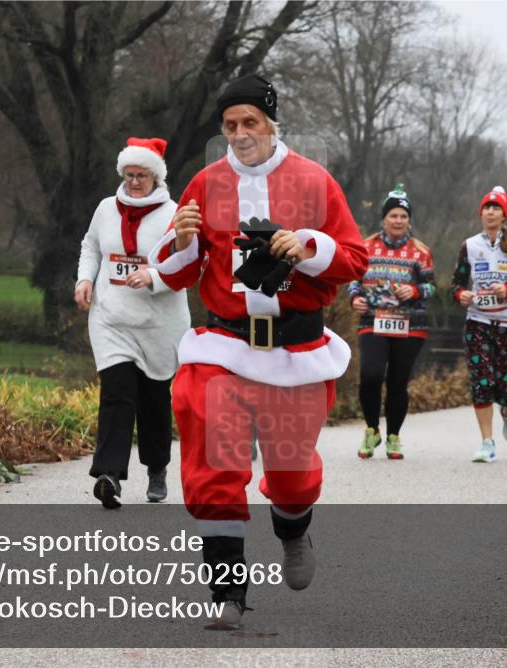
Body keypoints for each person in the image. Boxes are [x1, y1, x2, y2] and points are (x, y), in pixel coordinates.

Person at [149, 74, 367, 629]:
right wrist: (179, 241)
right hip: (223, 345)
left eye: (250, 123)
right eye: (230, 125)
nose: (240, 134)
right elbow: (177, 275)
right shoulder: (203, 183)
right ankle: (228, 594)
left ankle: (293, 528)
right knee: (213, 463)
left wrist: (309, 245)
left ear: (272, 123)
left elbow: (354, 259)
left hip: (296, 349)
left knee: (293, 476)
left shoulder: (315, 181)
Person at [74, 137, 189, 508]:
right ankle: (109, 475)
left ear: (156, 177)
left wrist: (154, 277)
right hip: (112, 319)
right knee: (117, 394)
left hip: (159, 323)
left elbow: (188, 263)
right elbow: (91, 246)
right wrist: (85, 279)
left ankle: (157, 467)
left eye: (141, 175)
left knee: (155, 403)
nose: (134, 182)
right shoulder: (107, 208)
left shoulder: (174, 213)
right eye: (128, 174)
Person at [348, 184, 435, 460]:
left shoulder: (421, 252)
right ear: (383, 219)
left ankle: (394, 436)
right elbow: (354, 279)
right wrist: (355, 299)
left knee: (398, 381)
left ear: (409, 221)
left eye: (403, 216)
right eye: (393, 216)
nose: (398, 221)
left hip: (410, 324)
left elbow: (433, 288)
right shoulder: (365, 247)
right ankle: (372, 429)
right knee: (371, 375)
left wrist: (415, 291)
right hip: (373, 321)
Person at [451, 186, 507, 463]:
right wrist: (460, 294)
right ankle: (487, 442)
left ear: (503, 215)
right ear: (481, 213)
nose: (490, 212)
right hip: (479, 321)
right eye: (486, 207)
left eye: (495, 208)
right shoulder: (470, 245)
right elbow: (457, 282)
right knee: (482, 382)